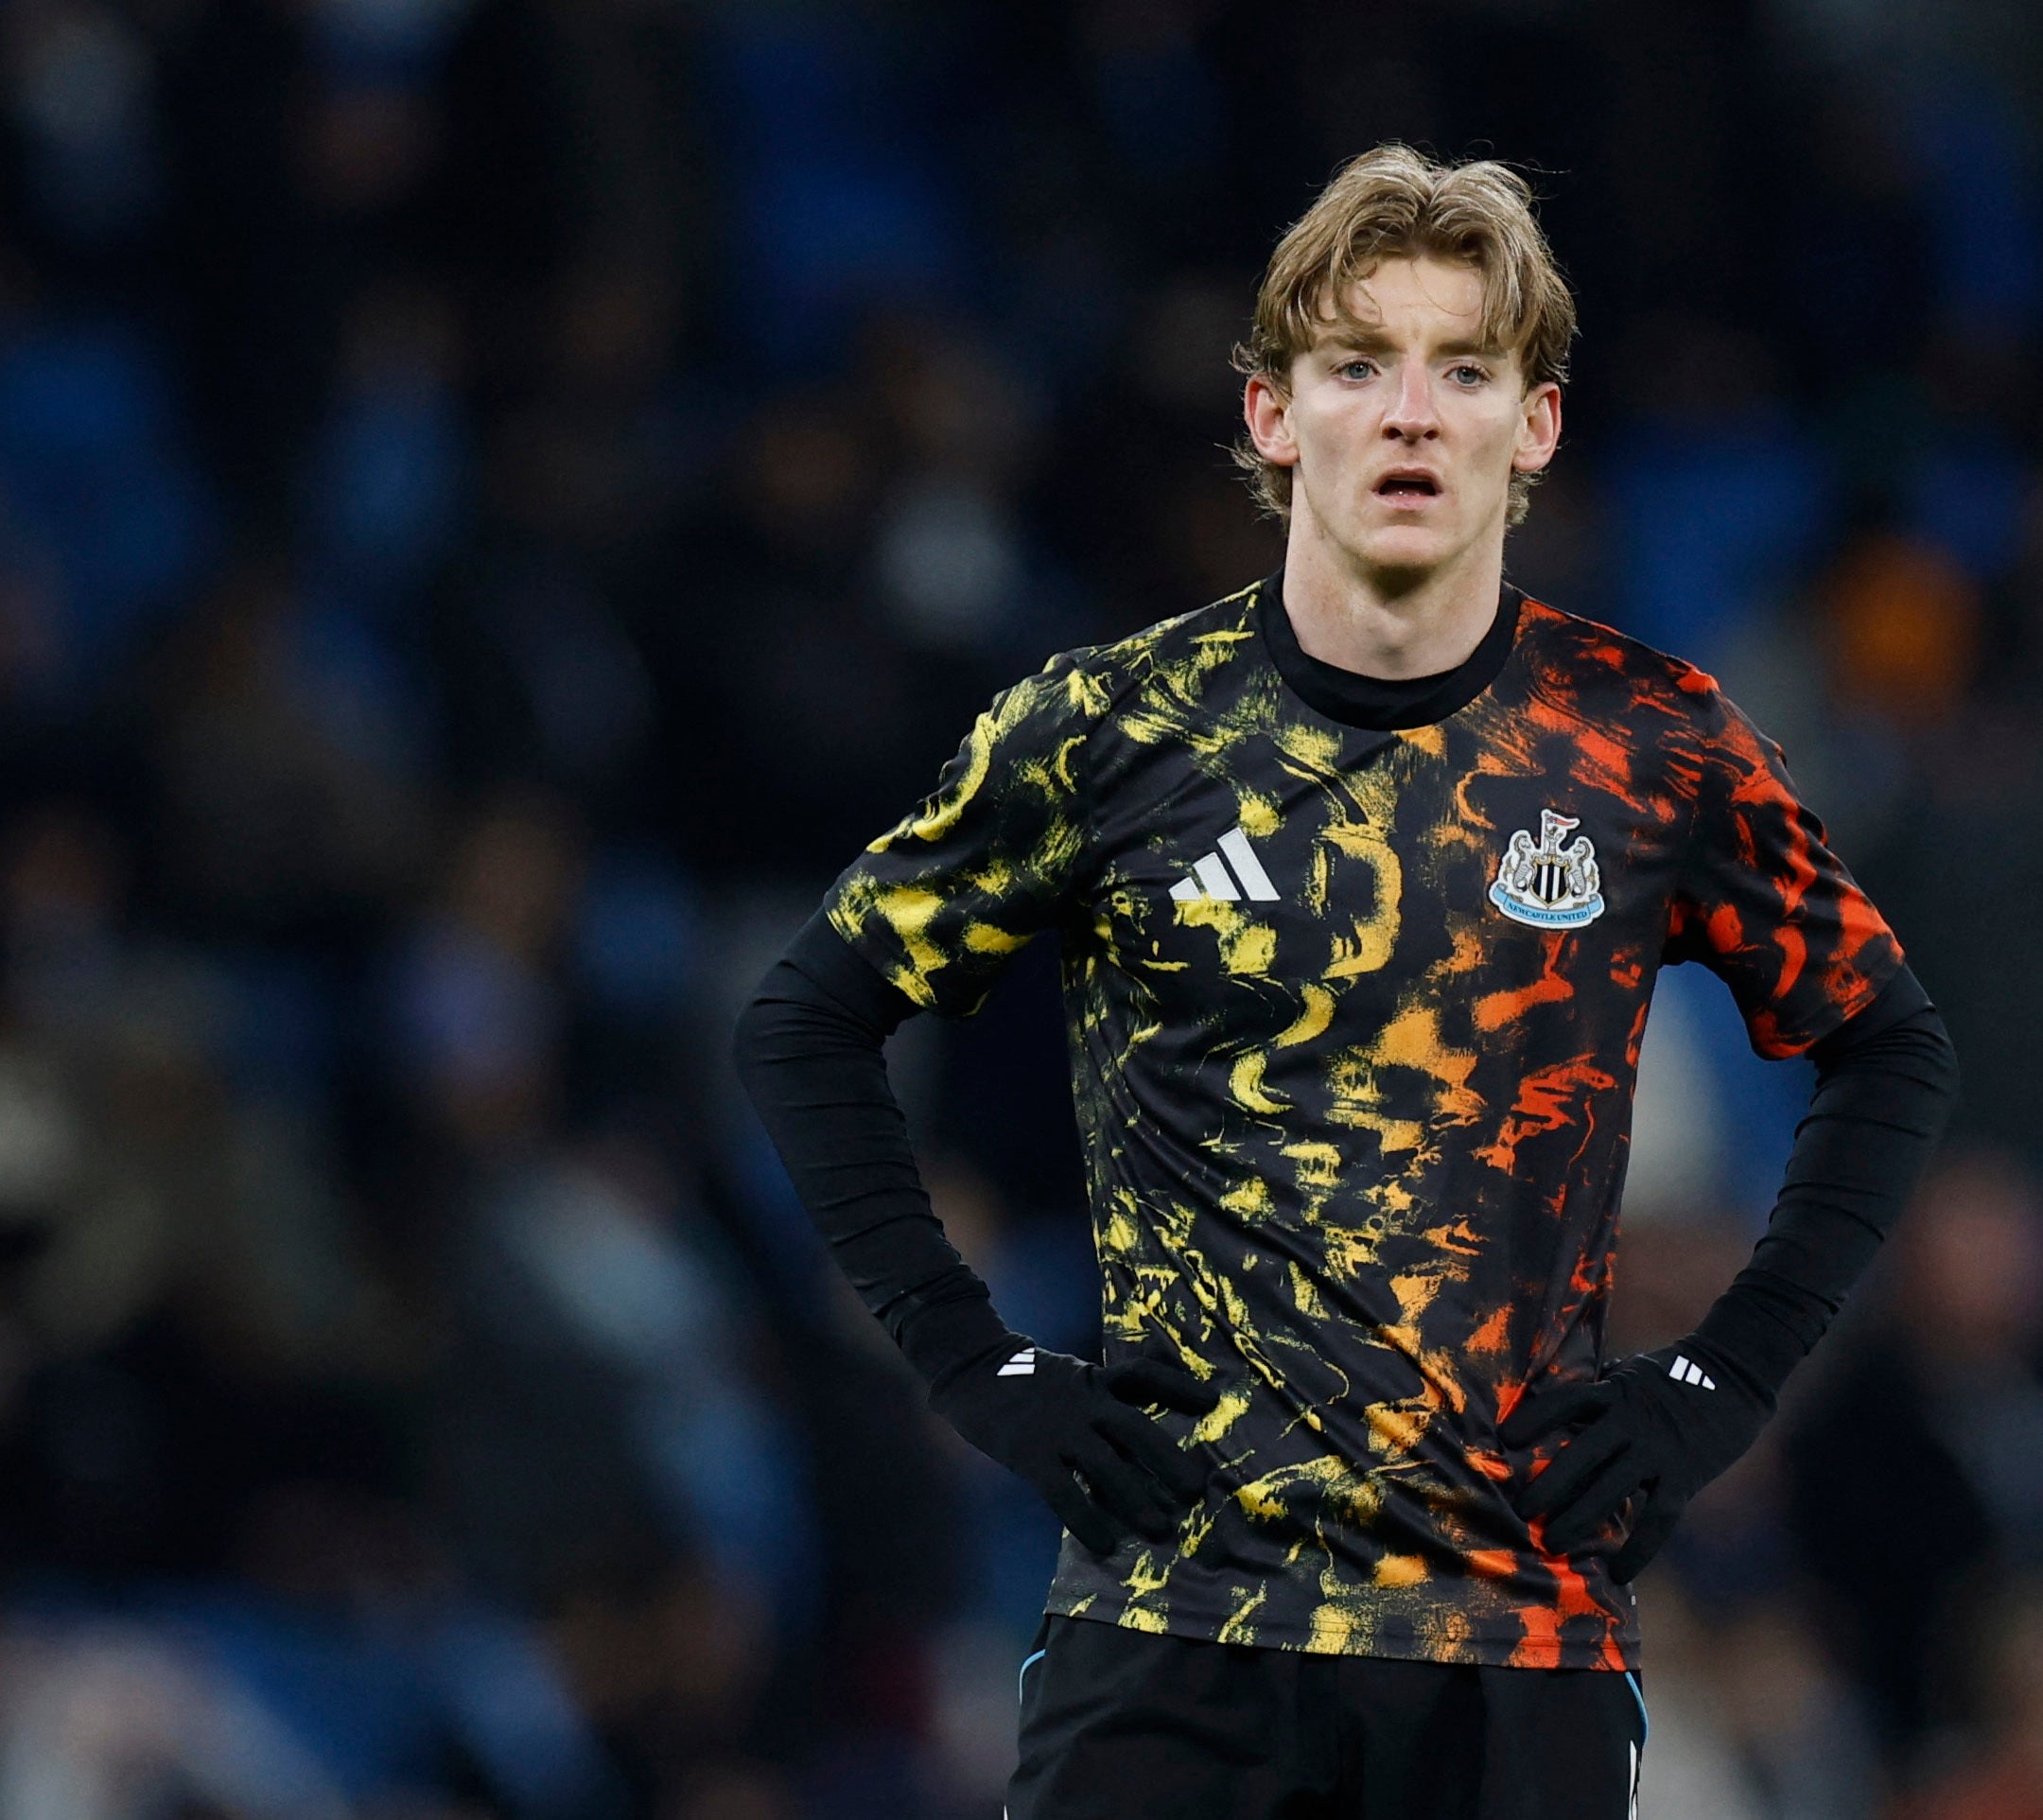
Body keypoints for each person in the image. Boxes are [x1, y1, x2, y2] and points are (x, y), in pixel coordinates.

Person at [735, 145, 1958, 1820]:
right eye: (1357, 364)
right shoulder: (1105, 729)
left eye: (1465, 370)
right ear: (1269, 414)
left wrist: (1714, 1382)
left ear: (1533, 426)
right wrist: (976, 1365)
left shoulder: (1647, 742)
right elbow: (806, 1023)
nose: (1409, 416)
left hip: (1509, 1651)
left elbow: (1888, 1048)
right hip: (1172, 1635)